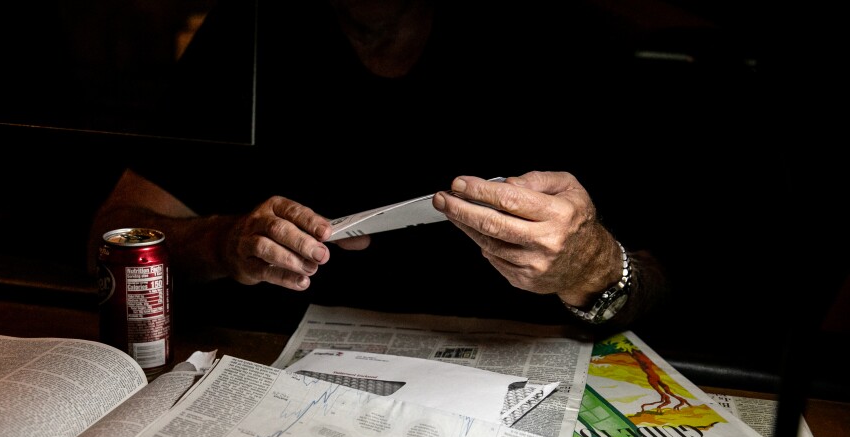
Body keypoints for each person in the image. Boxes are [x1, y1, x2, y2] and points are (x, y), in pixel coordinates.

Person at [90, 0, 756, 338]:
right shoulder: (255, 26)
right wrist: (223, 241)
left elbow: (691, 289)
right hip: (282, 376)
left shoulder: (562, 36)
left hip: (515, 391)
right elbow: (113, 232)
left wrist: (591, 268)